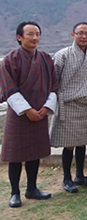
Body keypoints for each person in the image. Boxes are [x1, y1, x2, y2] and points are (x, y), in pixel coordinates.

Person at [1, 22, 57, 208]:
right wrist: (28, 110)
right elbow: (9, 89)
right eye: (30, 34)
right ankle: (15, 192)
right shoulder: (10, 60)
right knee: (15, 155)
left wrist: (45, 109)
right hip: (19, 115)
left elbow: (53, 86)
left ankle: (32, 188)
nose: (34, 38)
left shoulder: (46, 58)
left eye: (37, 34)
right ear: (19, 37)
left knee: (34, 153)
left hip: (40, 112)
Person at [50, 22, 87, 194]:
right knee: (69, 144)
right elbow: (53, 79)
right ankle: (67, 178)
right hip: (68, 104)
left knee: (82, 142)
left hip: (86, 105)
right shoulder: (62, 55)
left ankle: (80, 175)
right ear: (73, 35)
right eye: (80, 33)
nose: (84, 36)